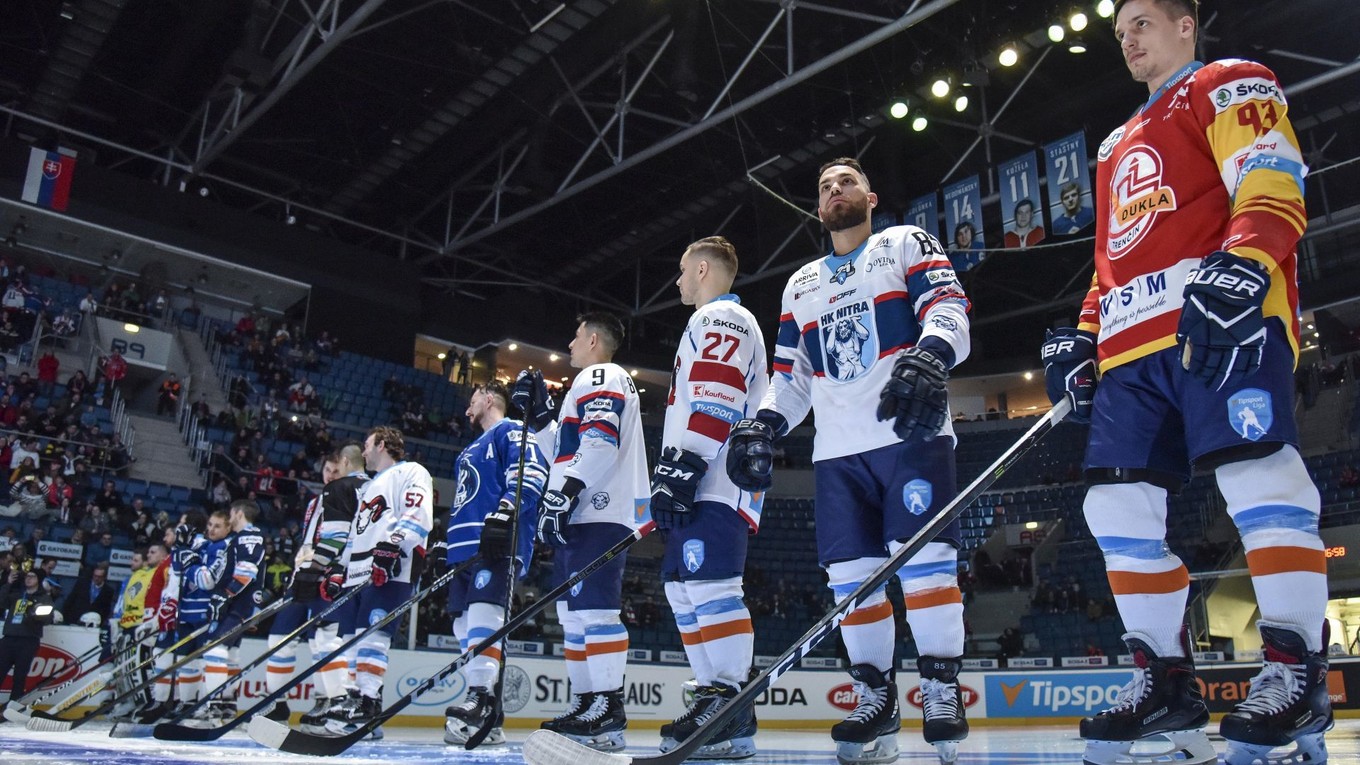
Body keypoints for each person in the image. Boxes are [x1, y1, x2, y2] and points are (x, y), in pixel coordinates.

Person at [1040, 3, 1328, 765]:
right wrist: (1084, 332)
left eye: (1141, 21)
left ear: (1184, 25)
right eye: (1119, 32)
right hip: (1133, 348)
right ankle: (1164, 678)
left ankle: (1298, 669)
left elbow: (1272, 175)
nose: (1127, 39)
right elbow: (1113, 261)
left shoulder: (1227, 83)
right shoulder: (1112, 145)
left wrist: (1245, 260)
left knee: (1259, 476)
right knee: (1113, 502)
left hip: (1219, 323)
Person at [727, 157, 972, 764]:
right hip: (837, 455)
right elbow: (790, 379)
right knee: (851, 584)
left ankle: (941, 689)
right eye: (824, 187)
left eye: (847, 181)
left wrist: (933, 354)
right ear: (817, 209)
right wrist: (762, 423)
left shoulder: (906, 243)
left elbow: (949, 309)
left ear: (870, 194)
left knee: (926, 569)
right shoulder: (799, 285)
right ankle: (875, 697)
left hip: (910, 436)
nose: (835, 190)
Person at [648, 236, 769, 759]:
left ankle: (730, 704)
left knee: (713, 589)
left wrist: (685, 465)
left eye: (680, 270)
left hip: (714, 482)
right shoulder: (711, 320)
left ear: (702, 269)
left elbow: (717, 394)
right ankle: (713, 703)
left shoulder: (720, 318)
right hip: (700, 479)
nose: (677, 281)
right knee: (684, 591)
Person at [531, 312, 650, 752]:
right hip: (584, 512)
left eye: (576, 335)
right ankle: (587, 704)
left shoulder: (602, 373)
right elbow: (564, 451)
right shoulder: (589, 382)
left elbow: (601, 440)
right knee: (574, 616)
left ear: (594, 339)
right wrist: (542, 418)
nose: (570, 343)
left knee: (595, 612)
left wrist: (562, 494)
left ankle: (607, 706)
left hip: (598, 510)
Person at [438, 381, 547, 746]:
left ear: (488, 398)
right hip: (464, 548)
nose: (468, 409)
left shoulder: (512, 430)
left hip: (496, 540)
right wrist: (445, 540)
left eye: (472, 401)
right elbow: (465, 498)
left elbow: (531, 470)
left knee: (485, 616)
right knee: (462, 625)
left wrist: (507, 510)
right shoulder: (470, 448)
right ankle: (488, 712)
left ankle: (481, 699)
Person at [322, 427, 432, 734]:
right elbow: (359, 533)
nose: (364, 451)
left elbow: (418, 512)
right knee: (351, 642)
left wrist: (395, 545)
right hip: (358, 572)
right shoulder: (369, 486)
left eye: (368, 445)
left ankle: (367, 701)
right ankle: (359, 701)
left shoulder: (411, 471)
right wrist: (338, 567)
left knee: (373, 637)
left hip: (389, 569)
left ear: (382, 444)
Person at [260, 445, 364, 730]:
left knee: (325, 642)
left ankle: (332, 699)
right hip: (304, 578)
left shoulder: (350, 494)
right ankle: (277, 703)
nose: (330, 475)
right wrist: (297, 573)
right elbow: (307, 542)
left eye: (335, 470)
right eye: (326, 470)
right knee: (279, 639)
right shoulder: (316, 501)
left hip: (331, 578)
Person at [181, 502, 264, 725]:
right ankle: (226, 705)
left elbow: (247, 571)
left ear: (238, 513)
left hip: (240, 606)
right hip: (234, 606)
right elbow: (214, 577)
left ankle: (214, 708)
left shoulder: (249, 536)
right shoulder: (236, 540)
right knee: (229, 654)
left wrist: (225, 595)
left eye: (231, 514)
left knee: (214, 649)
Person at [0, 565, 55, 718]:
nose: (29, 578)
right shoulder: (17, 595)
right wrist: (8, 583)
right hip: (9, 638)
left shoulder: (44, 598)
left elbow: (47, 619)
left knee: (19, 676)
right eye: (27, 576)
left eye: (33, 576)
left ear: (39, 580)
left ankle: (12, 709)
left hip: (28, 641)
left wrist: (35, 613)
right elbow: (1, 602)